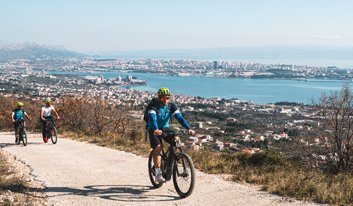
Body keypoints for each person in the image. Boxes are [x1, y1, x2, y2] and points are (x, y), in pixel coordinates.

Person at [147, 87, 195, 183]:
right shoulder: (153, 106)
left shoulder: (171, 106)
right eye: (163, 98)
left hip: (165, 128)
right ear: (159, 97)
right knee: (158, 147)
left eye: (167, 98)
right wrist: (156, 129)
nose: (165, 100)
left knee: (176, 139)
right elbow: (153, 118)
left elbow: (180, 118)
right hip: (153, 128)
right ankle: (157, 173)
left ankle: (170, 160)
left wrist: (188, 128)